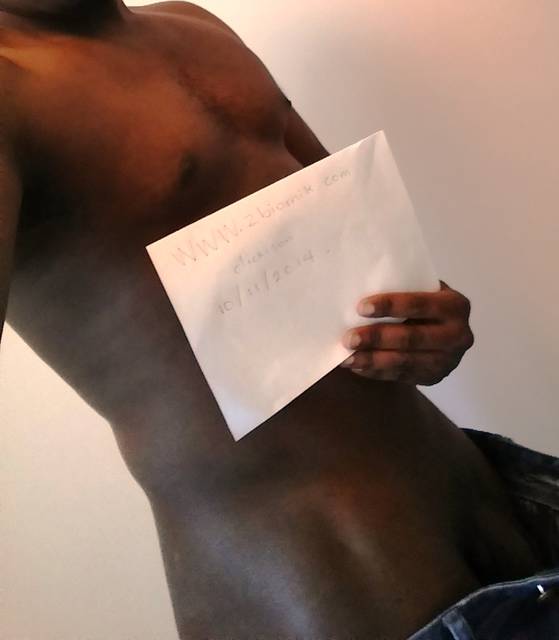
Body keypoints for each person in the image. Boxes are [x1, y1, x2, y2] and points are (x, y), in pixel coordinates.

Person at [0, 2, 557, 638]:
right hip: (326, 587)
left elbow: (366, 255)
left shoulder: (193, 24)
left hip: (501, 502)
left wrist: (430, 326)